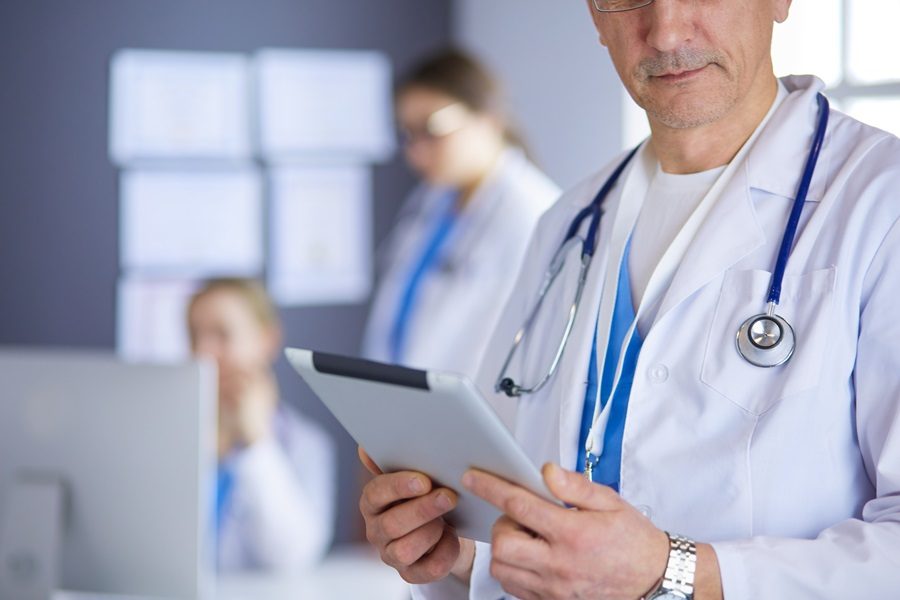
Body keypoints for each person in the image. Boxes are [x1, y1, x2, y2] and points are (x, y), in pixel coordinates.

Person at [358, 1, 900, 598]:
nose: (665, 31)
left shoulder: (880, 203)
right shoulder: (568, 222)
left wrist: (674, 572)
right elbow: (513, 502)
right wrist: (455, 549)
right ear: (595, 14)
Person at [362, 49, 560, 377]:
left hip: (474, 412)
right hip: (406, 403)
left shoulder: (533, 214)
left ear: (488, 117)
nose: (417, 151)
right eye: (407, 133)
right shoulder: (428, 204)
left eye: (433, 128)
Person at [187, 278, 336, 572]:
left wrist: (256, 441)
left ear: (267, 340)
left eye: (222, 334)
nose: (203, 352)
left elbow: (293, 556)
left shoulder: (307, 443)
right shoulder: (172, 436)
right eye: (194, 336)